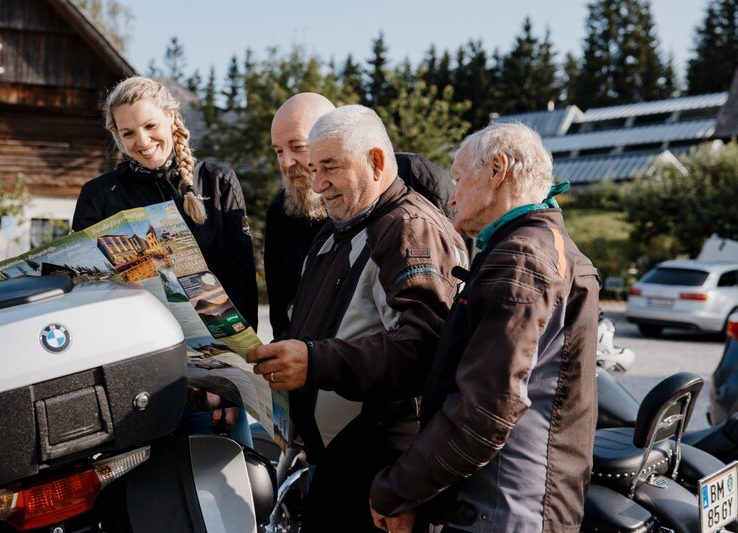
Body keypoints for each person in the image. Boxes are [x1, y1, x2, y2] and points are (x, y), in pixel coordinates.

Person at [369, 122, 600, 533]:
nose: (452, 195)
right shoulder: (552, 246)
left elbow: (485, 409)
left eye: (459, 178)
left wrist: (397, 488)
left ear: (498, 169)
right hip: (529, 501)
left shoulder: (521, 260)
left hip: (503, 508)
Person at [248, 105, 468, 532]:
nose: (316, 184)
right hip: (335, 467)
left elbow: (424, 348)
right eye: (313, 169)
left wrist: (314, 362)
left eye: (329, 167)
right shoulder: (338, 226)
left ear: (377, 162)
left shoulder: (410, 229)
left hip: (382, 474)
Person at [71, 76, 257, 444]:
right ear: (116, 137)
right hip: (137, 383)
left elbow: (241, 288)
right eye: (128, 133)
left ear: (172, 119)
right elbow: (85, 295)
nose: (142, 141)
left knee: (227, 488)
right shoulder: (98, 197)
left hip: (210, 385)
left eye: (150, 125)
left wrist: (232, 386)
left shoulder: (217, 182)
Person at [265, 92, 458, 338]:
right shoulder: (284, 213)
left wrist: (315, 359)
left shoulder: (417, 181)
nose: (286, 163)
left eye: (298, 147)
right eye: (278, 151)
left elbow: (431, 328)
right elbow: (284, 314)